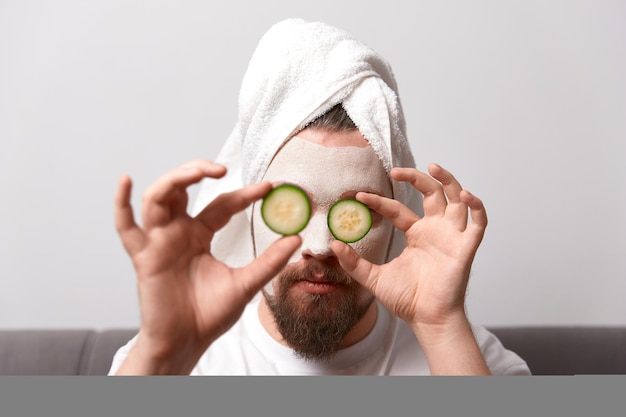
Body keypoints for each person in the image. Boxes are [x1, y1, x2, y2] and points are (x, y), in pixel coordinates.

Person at [109, 18, 530, 375]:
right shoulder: (164, 363)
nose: (319, 248)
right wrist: (164, 352)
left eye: (358, 209)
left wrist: (441, 327)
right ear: (249, 209)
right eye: (291, 207)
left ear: (396, 220)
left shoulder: (470, 359)